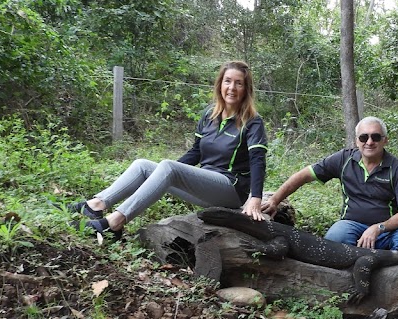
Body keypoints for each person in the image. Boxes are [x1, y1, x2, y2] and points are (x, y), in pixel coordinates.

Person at [70, 60, 268, 240]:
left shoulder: (252, 121)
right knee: (143, 166)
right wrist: (161, 174)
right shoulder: (210, 115)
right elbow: (195, 153)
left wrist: (255, 198)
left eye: (238, 83)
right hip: (205, 183)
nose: (231, 88)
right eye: (227, 81)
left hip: (230, 189)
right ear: (220, 84)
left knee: (167, 167)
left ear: (246, 89)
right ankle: (96, 205)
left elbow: (257, 160)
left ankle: (114, 223)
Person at [261, 116, 398, 250]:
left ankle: (394, 275)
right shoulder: (344, 159)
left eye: (375, 137)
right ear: (356, 141)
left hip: (389, 231)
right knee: (334, 239)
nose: (369, 142)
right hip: (352, 226)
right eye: (363, 137)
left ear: (385, 140)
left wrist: (379, 228)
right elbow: (304, 175)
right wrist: (275, 200)